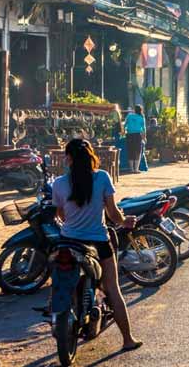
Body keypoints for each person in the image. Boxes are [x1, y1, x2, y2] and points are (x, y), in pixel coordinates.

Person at [51, 139, 143, 353]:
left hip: (68, 241)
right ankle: (127, 339)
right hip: (98, 242)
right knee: (112, 289)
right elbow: (112, 213)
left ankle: (61, 316)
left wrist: (73, 224)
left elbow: (60, 214)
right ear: (91, 156)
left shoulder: (59, 183)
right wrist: (124, 222)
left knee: (61, 283)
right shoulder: (102, 177)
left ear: (68, 158)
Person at [123, 105, 146, 174]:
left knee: (130, 151)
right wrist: (144, 138)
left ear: (134, 110)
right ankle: (136, 169)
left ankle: (131, 169)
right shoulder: (142, 117)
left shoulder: (129, 116)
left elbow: (125, 125)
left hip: (129, 135)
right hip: (137, 135)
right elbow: (144, 129)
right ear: (141, 110)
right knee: (138, 152)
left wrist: (123, 132)